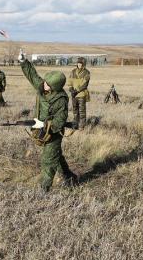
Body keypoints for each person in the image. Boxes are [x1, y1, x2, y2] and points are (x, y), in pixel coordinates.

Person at [18, 50, 77, 192]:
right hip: (40, 128)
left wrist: (44, 126)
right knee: (56, 155)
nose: (44, 85)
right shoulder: (42, 86)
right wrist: (23, 61)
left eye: (48, 84)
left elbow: (59, 121)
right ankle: (69, 176)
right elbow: (32, 75)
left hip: (53, 133)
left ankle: (44, 190)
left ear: (55, 87)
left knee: (48, 160)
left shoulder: (61, 99)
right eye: (45, 82)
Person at [68, 57, 90, 130]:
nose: (79, 64)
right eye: (78, 63)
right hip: (73, 94)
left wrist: (77, 91)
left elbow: (85, 84)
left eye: (81, 63)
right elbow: (70, 81)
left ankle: (82, 126)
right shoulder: (73, 71)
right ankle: (75, 124)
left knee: (82, 111)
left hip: (81, 94)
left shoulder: (86, 72)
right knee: (75, 110)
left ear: (83, 64)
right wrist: (71, 89)